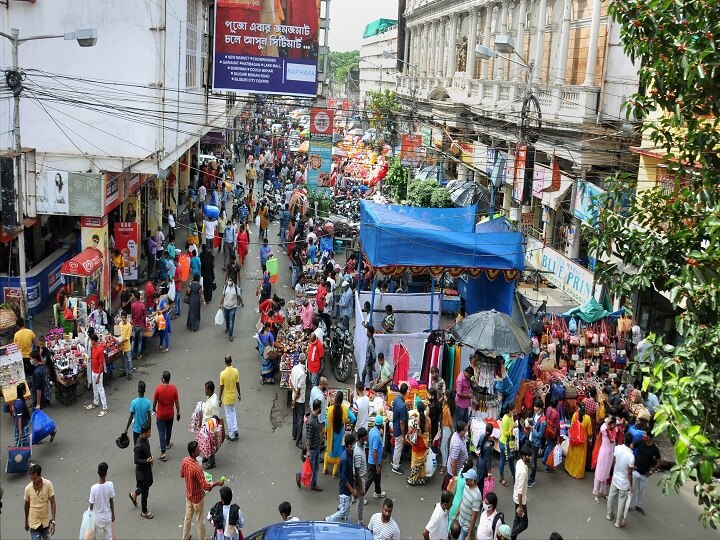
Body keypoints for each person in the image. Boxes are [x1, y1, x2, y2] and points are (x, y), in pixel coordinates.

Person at [181, 441, 225, 540]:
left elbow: (182, 474)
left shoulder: (185, 461)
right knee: (200, 520)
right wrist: (217, 483)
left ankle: (185, 537)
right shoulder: (197, 469)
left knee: (188, 518)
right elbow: (206, 486)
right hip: (198, 498)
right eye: (197, 449)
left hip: (189, 495)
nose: (200, 450)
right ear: (193, 453)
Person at [326, 433, 357, 523]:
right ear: (350, 445)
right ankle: (329, 519)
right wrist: (352, 490)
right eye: (354, 443)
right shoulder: (345, 459)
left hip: (349, 488)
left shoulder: (350, 454)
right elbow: (343, 477)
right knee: (344, 511)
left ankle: (348, 524)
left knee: (348, 509)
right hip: (345, 490)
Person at [325, 391, 357, 476]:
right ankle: (334, 473)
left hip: (332, 433)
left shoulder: (330, 409)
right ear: (342, 400)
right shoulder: (345, 409)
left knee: (331, 450)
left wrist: (326, 431)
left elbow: (327, 423)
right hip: (341, 434)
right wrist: (347, 421)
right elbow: (353, 418)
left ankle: (325, 468)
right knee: (340, 451)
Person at [607, 432, 635, 528]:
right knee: (621, 501)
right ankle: (618, 522)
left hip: (615, 477)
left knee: (611, 496)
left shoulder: (617, 448)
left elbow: (614, 461)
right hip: (624, 481)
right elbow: (629, 473)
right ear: (631, 443)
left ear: (623, 439)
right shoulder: (631, 456)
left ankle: (609, 514)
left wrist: (616, 471)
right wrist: (631, 486)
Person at [296, 398, 324, 492]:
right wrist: (308, 451)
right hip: (312, 449)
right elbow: (308, 438)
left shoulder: (315, 418)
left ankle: (313, 484)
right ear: (317, 408)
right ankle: (300, 475)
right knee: (310, 469)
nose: (321, 409)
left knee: (315, 468)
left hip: (316, 447)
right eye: (320, 407)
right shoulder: (311, 422)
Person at [152, 370, 180, 461]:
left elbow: (155, 401)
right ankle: (167, 443)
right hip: (170, 414)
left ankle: (163, 452)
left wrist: (153, 409)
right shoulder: (173, 388)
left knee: (161, 432)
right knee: (169, 429)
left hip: (161, 414)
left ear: (163, 379)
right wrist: (178, 412)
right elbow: (177, 402)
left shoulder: (159, 389)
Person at [632, 432, 662, 515]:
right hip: (635, 471)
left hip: (644, 474)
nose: (643, 436)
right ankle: (627, 506)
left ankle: (638, 506)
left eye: (645, 434)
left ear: (649, 437)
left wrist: (651, 472)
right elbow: (630, 447)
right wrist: (631, 463)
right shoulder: (639, 441)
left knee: (641, 491)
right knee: (631, 490)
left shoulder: (654, 449)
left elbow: (659, 462)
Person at [24, 463, 56, 540]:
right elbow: (26, 505)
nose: (33, 481)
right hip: (34, 524)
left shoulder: (48, 484)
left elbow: (53, 502)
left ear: (40, 475)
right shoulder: (28, 488)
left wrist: (53, 521)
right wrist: (26, 521)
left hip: (45, 523)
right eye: (31, 479)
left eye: (35, 478)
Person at [129, 422, 154, 519]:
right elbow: (136, 460)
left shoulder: (146, 440)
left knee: (149, 483)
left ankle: (134, 494)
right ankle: (144, 511)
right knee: (145, 491)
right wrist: (146, 461)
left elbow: (148, 451)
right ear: (144, 433)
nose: (150, 433)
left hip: (147, 469)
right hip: (142, 472)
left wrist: (150, 459)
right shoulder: (138, 446)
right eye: (149, 432)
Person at [564, 403, 593, 479]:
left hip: (574, 438)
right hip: (582, 441)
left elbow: (572, 425)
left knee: (572, 454)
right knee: (580, 457)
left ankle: (569, 468)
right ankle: (577, 473)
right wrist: (590, 437)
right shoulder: (587, 418)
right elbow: (589, 432)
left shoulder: (575, 415)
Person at [88, 462, 115, 540]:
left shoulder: (93, 488)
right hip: (107, 516)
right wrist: (113, 514)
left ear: (98, 473)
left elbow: (91, 506)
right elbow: (111, 501)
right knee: (109, 536)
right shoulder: (110, 485)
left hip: (98, 518)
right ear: (106, 473)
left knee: (99, 537)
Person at [407, 401, 431, 486]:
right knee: (422, 463)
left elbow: (410, 431)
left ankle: (413, 479)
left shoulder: (415, 421)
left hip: (417, 444)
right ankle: (421, 479)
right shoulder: (428, 420)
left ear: (417, 409)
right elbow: (429, 432)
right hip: (425, 444)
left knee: (415, 463)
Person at [85, 333, 109, 417]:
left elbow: (101, 364)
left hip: (98, 372)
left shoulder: (100, 350)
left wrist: (98, 376)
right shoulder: (93, 347)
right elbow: (93, 357)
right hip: (93, 371)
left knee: (100, 389)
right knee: (95, 388)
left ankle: (105, 407)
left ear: (94, 340)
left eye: (91, 340)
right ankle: (96, 402)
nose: (90, 342)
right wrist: (90, 358)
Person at [454, 468, 481, 540]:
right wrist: (455, 516)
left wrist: (468, 535)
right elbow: (462, 502)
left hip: (466, 527)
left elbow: (474, 517)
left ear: (472, 481)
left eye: (467, 479)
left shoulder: (477, 496)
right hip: (460, 520)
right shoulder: (466, 486)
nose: (465, 481)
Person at [511, 446, 532, 540]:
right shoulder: (523, 472)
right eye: (528, 456)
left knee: (517, 520)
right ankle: (509, 535)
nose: (530, 458)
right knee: (524, 524)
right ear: (523, 456)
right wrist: (520, 507)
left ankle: (512, 538)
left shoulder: (519, 462)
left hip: (516, 497)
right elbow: (520, 492)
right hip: (520, 501)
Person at [219, 354, 241, 441]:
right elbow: (237, 384)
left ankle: (231, 434)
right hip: (233, 396)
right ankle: (235, 429)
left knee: (228, 416)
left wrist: (220, 398)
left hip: (226, 398)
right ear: (231, 361)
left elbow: (221, 387)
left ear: (225, 362)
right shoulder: (236, 371)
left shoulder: (222, 374)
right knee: (233, 412)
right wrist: (239, 394)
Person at [125, 380, 152, 445]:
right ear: (144, 391)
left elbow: (131, 417)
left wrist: (126, 428)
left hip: (136, 430)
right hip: (144, 430)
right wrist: (149, 429)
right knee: (145, 446)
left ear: (138, 390)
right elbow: (149, 418)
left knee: (137, 447)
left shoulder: (134, 402)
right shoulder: (148, 402)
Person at [201, 381, 221, 469]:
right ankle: (207, 456)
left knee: (210, 444)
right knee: (206, 443)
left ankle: (211, 462)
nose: (205, 391)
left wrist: (212, 430)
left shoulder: (213, 404)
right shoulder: (211, 396)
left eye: (206, 389)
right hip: (206, 425)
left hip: (210, 427)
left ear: (210, 390)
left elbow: (215, 417)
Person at [365, 415, 386, 499]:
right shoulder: (377, 436)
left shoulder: (372, 431)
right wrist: (377, 465)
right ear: (381, 425)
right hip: (374, 462)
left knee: (377, 477)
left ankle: (377, 492)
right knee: (369, 479)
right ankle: (361, 496)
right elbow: (374, 451)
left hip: (375, 460)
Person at [527, 398, 546, 488]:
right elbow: (534, 421)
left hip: (535, 443)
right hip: (530, 439)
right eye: (534, 407)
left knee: (533, 462)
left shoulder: (543, 422)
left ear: (540, 408)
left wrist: (532, 429)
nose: (534, 409)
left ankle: (532, 478)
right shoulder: (535, 415)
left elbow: (539, 435)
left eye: (536, 408)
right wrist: (530, 420)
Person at [289, 353, 307, 448]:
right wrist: (295, 399)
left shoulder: (295, 368)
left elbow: (290, 382)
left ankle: (294, 434)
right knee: (300, 419)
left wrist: (294, 394)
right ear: (305, 360)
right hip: (299, 400)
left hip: (294, 396)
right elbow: (299, 389)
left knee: (295, 417)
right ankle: (298, 441)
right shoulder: (302, 373)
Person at [353, 428, 369, 526]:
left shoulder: (362, 446)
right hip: (360, 478)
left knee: (355, 497)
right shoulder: (358, 452)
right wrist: (361, 487)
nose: (367, 438)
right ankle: (360, 521)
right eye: (365, 437)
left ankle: (342, 507)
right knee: (360, 502)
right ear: (360, 438)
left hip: (361, 476)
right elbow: (357, 471)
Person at [475, 423, 495, 494]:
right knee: (481, 483)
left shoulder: (482, 437)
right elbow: (488, 460)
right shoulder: (488, 445)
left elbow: (478, 447)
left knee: (478, 478)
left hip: (479, 461)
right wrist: (489, 472)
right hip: (484, 465)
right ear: (491, 432)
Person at [499, 406, 516, 487]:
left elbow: (511, 427)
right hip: (504, 443)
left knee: (512, 460)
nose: (515, 410)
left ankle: (515, 477)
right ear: (509, 410)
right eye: (513, 409)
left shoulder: (511, 416)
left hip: (511, 442)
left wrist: (514, 427)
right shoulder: (505, 419)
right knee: (503, 460)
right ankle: (501, 478)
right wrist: (512, 427)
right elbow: (505, 433)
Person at [130, 291, 146, 362]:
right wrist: (145, 324)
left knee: (133, 340)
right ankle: (138, 355)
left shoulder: (133, 305)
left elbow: (132, 316)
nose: (133, 298)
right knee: (140, 341)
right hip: (141, 326)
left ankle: (132, 355)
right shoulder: (143, 306)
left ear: (135, 297)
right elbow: (144, 316)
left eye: (133, 296)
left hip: (135, 325)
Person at [117, 312, 133, 380]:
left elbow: (127, 338)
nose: (123, 319)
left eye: (124, 318)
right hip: (121, 346)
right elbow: (118, 334)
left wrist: (120, 341)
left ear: (126, 318)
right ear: (121, 317)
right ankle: (124, 371)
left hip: (127, 346)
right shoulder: (119, 324)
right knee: (123, 360)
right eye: (122, 317)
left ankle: (130, 373)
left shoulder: (129, 326)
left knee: (129, 360)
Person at [363, 325, 377, 389]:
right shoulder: (371, 339)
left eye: (367, 331)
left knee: (370, 378)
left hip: (369, 362)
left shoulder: (371, 343)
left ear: (370, 333)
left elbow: (374, 355)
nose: (366, 333)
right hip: (367, 361)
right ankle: (362, 387)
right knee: (363, 374)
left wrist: (373, 364)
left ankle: (372, 390)